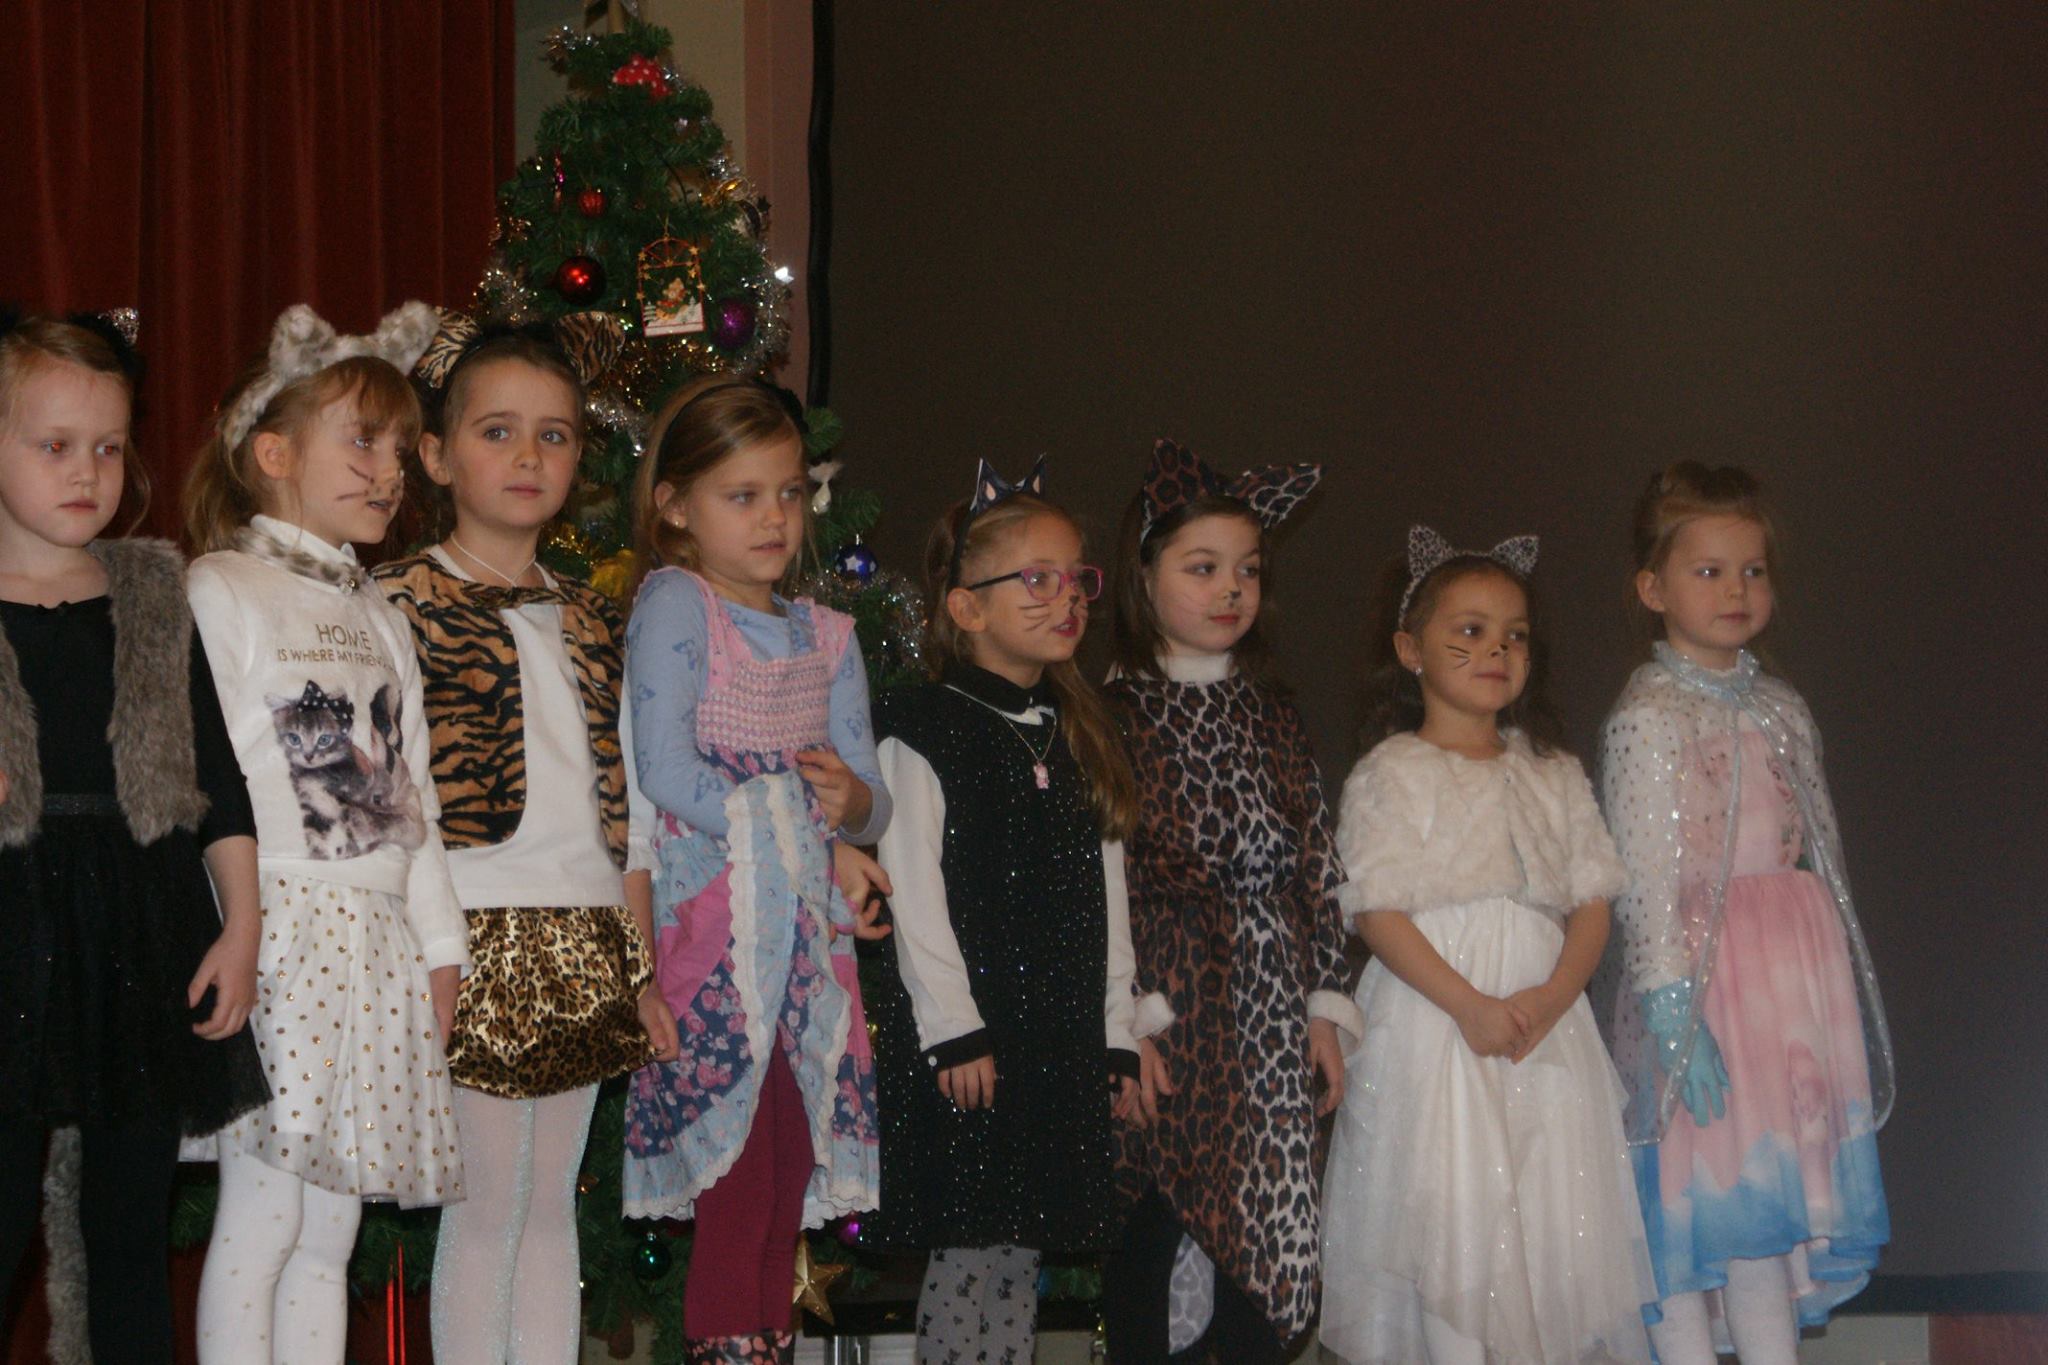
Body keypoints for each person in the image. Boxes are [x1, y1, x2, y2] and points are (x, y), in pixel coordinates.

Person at [183, 302, 467, 1364]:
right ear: (273, 453)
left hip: (377, 941)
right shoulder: (222, 586)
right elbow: (207, 787)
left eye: (400, 449)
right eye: (362, 442)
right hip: (283, 930)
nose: (390, 471)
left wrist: (440, 948)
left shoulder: (382, 615)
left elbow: (411, 798)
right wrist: (234, 928)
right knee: (263, 1217)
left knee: (329, 1233)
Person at [0, 310, 267, 1363]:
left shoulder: (153, 593)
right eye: (55, 445)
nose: (88, 471)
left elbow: (217, 781)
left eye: (109, 447)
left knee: (126, 1230)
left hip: (136, 925)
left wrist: (240, 925)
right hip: (11, 928)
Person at [1321, 526, 1653, 1365]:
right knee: (1450, 1221)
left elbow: (1592, 902)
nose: (1496, 651)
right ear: (1411, 649)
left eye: (1514, 635)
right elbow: (1376, 910)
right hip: (1437, 1023)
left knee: (1544, 1223)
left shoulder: (1552, 770)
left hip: (1541, 1027)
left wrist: (1552, 997)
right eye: (1469, 631)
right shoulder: (1392, 770)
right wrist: (1468, 1004)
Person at [619, 375, 890, 1365]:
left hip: (807, 957)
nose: (774, 517)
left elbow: (870, 794)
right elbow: (664, 769)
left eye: (788, 493)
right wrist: (793, 821)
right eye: (742, 496)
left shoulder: (827, 637)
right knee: (736, 1187)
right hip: (717, 943)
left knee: (783, 1181)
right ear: (675, 507)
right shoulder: (677, 605)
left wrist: (850, 808)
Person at [1598, 463, 1891, 1364]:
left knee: (1767, 1217)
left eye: (1753, 571)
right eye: (1709, 570)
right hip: (1708, 985)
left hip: (1785, 991)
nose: (1736, 590)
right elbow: (1643, 874)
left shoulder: (1779, 704)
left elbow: (1817, 849)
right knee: (1699, 1202)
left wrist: (1828, 982)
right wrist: (1669, 1001)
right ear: (1653, 588)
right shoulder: (1647, 714)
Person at [863, 458, 1144, 1365]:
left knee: (1022, 1254)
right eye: (1036, 579)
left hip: (1055, 1039)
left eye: (1076, 579)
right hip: (971, 1044)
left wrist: (1116, 1030)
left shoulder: (1080, 733)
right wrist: (953, 1028)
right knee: (970, 1246)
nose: (1066, 598)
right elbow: (912, 892)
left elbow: (1108, 897)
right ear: (966, 607)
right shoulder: (922, 725)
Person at [1098, 439, 1357, 1363]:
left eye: (1247, 569)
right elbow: (1102, 887)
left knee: (1268, 1251)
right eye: (1202, 568)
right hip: (1174, 1017)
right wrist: (1126, 1020)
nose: (1231, 589)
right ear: (1144, 577)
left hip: (1272, 1019)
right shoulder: (1114, 717)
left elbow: (1319, 866)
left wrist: (1324, 1007)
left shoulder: (1273, 712)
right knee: (1161, 1228)